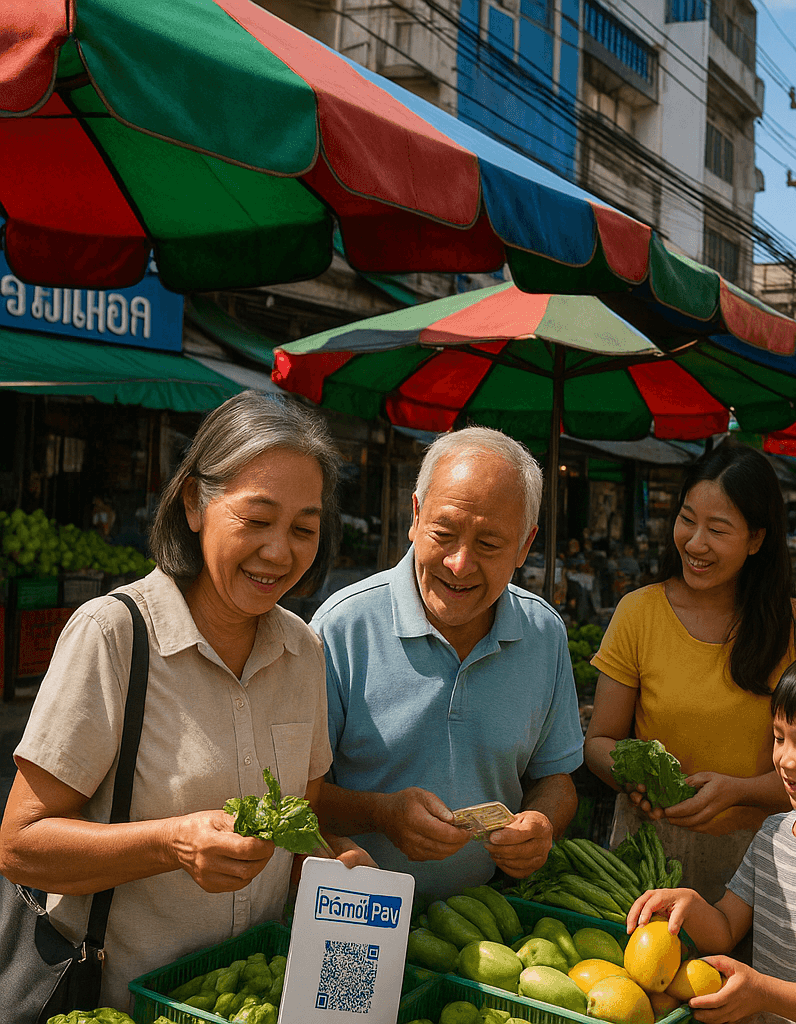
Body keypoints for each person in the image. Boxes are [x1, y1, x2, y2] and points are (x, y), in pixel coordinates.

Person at [0, 392, 369, 1010]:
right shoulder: (114, 635)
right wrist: (173, 842)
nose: (280, 552)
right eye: (257, 520)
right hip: (116, 1007)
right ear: (195, 503)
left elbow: (298, 823)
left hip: (247, 1002)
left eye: (304, 529)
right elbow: (20, 845)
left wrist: (332, 863)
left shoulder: (303, 652)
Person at [313, 427, 584, 898]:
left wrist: (543, 824)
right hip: (355, 913)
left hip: (486, 921)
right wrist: (381, 814)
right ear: (415, 517)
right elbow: (298, 798)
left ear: (525, 545)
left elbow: (556, 779)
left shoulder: (544, 634)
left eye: (489, 544)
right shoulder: (342, 628)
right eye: (444, 533)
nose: (460, 564)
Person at [585, 442, 796, 901]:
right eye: (687, 519)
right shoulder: (638, 612)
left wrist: (739, 791)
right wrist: (632, 779)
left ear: (757, 539)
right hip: (645, 864)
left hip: (760, 870)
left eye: (717, 529)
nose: (695, 543)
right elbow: (598, 743)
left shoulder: (793, 626)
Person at [626, 645, 796, 1024]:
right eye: (778, 738)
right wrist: (690, 904)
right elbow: (725, 929)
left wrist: (764, 994)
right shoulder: (774, 832)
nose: (784, 759)